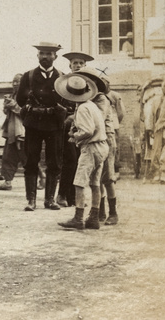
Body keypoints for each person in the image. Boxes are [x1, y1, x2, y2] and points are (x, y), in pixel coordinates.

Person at [16, 42, 67, 211]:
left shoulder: (62, 77)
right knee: (31, 161)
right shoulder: (28, 76)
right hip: (34, 124)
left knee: (54, 162)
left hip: (54, 124)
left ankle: (50, 200)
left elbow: (67, 100)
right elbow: (20, 100)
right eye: (42, 53)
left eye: (49, 54)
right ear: (37, 56)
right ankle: (31, 200)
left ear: (55, 57)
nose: (45, 57)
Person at [55, 74, 107, 230]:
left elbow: (87, 131)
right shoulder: (91, 105)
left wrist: (74, 135)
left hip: (91, 147)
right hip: (102, 146)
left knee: (79, 182)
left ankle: (78, 217)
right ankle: (94, 217)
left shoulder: (83, 108)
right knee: (95, 183)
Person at [76, 68, 120, 225]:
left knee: (107, 178)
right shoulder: (86, 100)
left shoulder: (101, 99)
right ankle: (99, 212)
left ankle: (113, 213)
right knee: (97, 179)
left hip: (106, 138)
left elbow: (96, 121)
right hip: (95, 139)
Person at [56, 51, 94, 207]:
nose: (77, 66)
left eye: (80, 63)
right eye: (75, 63)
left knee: (81, 161)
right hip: (68, 126)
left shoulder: (89, 85)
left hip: (84, 126)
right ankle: (62, 194)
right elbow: (58, 104)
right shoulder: (64, 83)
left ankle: (74, 197)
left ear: (85, 65)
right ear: (69, 65)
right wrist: (68, 116)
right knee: (70, 160)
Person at [0, 73, 25, 191]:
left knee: (25, 156)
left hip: (21, 131)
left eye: (18, 81)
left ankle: (41, 176)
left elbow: (25, 113)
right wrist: (6, 107)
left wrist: (14, 105)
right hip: (11, 130)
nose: (15, 84)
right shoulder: (13, 95)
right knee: (8, 156)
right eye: (14, 81)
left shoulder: (26, 96)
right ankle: (7, 182)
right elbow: (8, 113)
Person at [107, 86, 125, 174]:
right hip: (105, 125)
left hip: (114, 125)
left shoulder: (115, 95)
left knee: (115, 147)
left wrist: (115, 122)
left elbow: (121, 112)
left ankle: (116, 169)